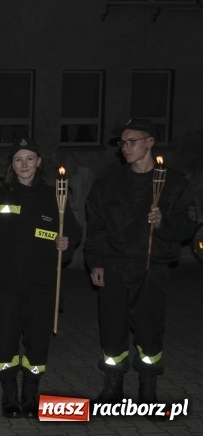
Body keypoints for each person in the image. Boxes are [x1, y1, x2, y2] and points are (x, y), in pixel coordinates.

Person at [86, 118, 197, 409]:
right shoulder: (108, 182)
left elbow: (189, 224)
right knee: (112, 329)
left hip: (153, 267)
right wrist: (95, 262)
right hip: (114, 266)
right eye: (122, 143)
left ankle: (148, 391)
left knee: (149, 330)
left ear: (150, 142)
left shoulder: (173, 182)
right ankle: (113, 389)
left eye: (131, 141)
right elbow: (96, 226)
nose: (125, 147)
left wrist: (164, 223)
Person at [0, 138, 82, 419]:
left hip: (42, 285)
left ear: (39, 162)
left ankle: (31, 392)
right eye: (18, 159)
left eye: (30, 158)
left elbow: (72, 232)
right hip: (5, 284)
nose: (24, 164)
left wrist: (64, 244)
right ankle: (9, 393)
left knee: (37, 342)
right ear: (12, 164)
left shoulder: (54, 195)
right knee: (5, 341)